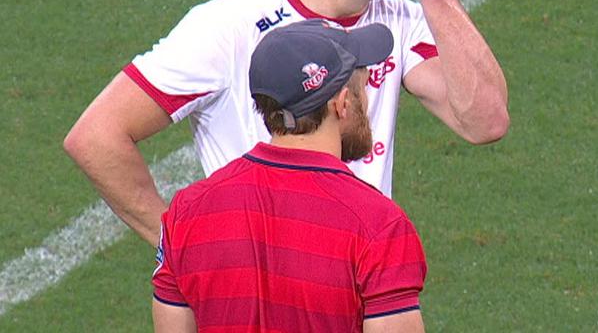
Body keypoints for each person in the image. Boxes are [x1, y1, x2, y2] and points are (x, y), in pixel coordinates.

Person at [64, 0, 509, 247]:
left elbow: (485, 120)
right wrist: (184, 250)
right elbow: (97, 136)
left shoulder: (400, 19)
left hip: (355, 290)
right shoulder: (228, 24)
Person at [152, 19, 427, 332]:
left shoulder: (186, 212)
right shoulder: (378, 226)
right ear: (341, 103)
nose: (366, 100)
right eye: (362, 88)